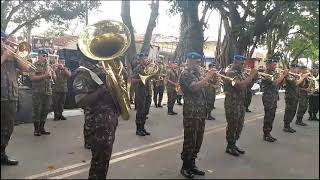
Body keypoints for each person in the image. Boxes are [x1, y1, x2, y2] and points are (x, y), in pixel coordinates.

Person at [73, 51, 120, 179]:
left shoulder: (102, 68)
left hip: (109, 120)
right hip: (98, 123)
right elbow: (81, 101)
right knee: (99, 160)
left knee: (104, 158)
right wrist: (101, 91)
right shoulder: (83, 73)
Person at [179, 52, 217, 178]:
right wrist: (207, 76)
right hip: (191, 113)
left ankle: (192, 164)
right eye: (196, 62)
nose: (198, 65)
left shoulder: (197, 74)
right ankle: (185, 166)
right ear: (189, 61)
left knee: (198, 140)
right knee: (190, 140)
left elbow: (206, 87)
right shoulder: (185, 74)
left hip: (201, 112)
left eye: (199, 62)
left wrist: (212, 78)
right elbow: (194, 88)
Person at [1, 31, 30, 165]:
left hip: (10, 96)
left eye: (4, 40)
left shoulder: (12, 54)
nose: (4, 43)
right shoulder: (6, 55)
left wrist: (16, 54)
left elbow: (27, 68)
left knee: (8, 128)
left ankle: (2, 154)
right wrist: (4, 56)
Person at [224, 55, 258, 156]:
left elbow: (247, 86)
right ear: (236, 62)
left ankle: (234, 144)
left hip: (240, 102)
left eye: (244, 64)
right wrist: (251, 75)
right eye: (241, 64)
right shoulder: (230, 73)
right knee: (232, 125)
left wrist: (254, 79)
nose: (243, 66)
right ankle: (230, 146)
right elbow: (240, 86)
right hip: (232, 103)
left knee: (239, 125)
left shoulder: (241, 73)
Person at [261, 59, 288, 142]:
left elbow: (280, 84)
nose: (275, 66)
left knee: (272, 116)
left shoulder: (273, 74)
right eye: (273, 65)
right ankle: (266, 134)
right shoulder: (264, 74)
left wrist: (284, 77)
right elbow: (274, 83)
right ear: (268, 65)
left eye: (275, 65)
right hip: (268, 98)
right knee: (268, 116)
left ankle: (268, 133)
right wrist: (283, 75)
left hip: (274, 97)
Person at [30, 50, 55, 136]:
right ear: (39, 56)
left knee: (45, 110)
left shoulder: (48, 66)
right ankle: (36, 130)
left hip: (47, 91)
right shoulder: (34, 65)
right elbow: (32, 77)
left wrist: (52, 72)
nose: (45, 57)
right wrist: (44, 75)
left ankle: (42, 128)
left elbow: (54, 78)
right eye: (44, 56)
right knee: (37, 110)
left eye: (46, 56)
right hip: (37, 91)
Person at [283, 64, 308, 133]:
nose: (298, 70)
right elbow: (295, 83)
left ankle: (288, 125)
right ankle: (286, 126)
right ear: (293, 68)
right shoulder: (289, 75)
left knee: (293, 111)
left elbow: (301, 84)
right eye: (297, 68)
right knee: (289, 111)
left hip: (295, 96)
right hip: (290, 96)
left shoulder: (295, 75)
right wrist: (302, 77)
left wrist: (303, 78)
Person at [131, 53, 151, 136]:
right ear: (140, 60)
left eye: (146, 59)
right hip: (140, 92)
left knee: (145, 111)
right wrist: (141, 79)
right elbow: (132, 81)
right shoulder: (137, 69)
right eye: (144, 59)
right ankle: (138, 129)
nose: (146, 60)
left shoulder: (147, 68)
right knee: (140, 111)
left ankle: (143, 128)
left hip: (148, 92)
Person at [52, 57, 71, 121]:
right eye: (61, 62)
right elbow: (51, 76)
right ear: (58, 62)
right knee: (55, 103)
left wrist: (63, 68)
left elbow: (69, 75)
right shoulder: (55, 69)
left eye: (63, 62)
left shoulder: (66, 69)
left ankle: (60, 114)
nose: (62, 63)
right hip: (56, 89)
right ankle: (56, 115)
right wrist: (54, 68)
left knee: (62, 103)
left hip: (63, 89)